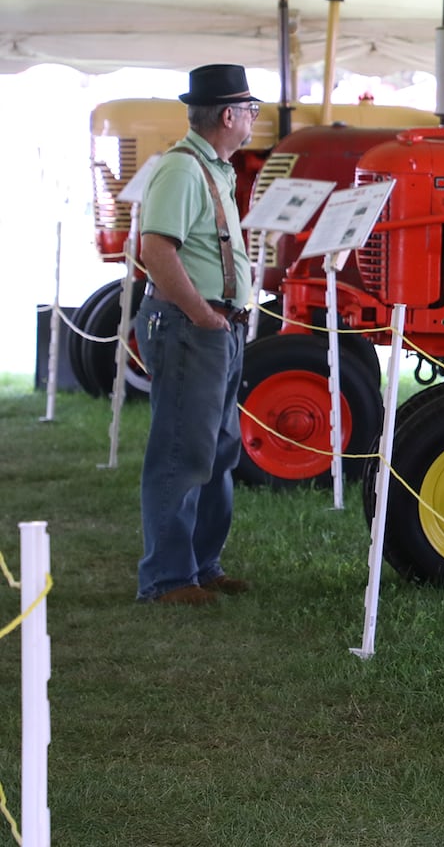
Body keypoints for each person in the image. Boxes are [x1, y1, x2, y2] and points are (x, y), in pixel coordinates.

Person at [134, 64, 258, 605]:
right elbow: (155, 250)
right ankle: (168, 578)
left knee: (217, 449)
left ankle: (201, 566)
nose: (254, 118)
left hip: (212, 327)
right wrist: (204, 315)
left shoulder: (214, 169)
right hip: (193, 326)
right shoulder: (185, 170)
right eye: (250, 109)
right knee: (184, 451)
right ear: (228, 115)